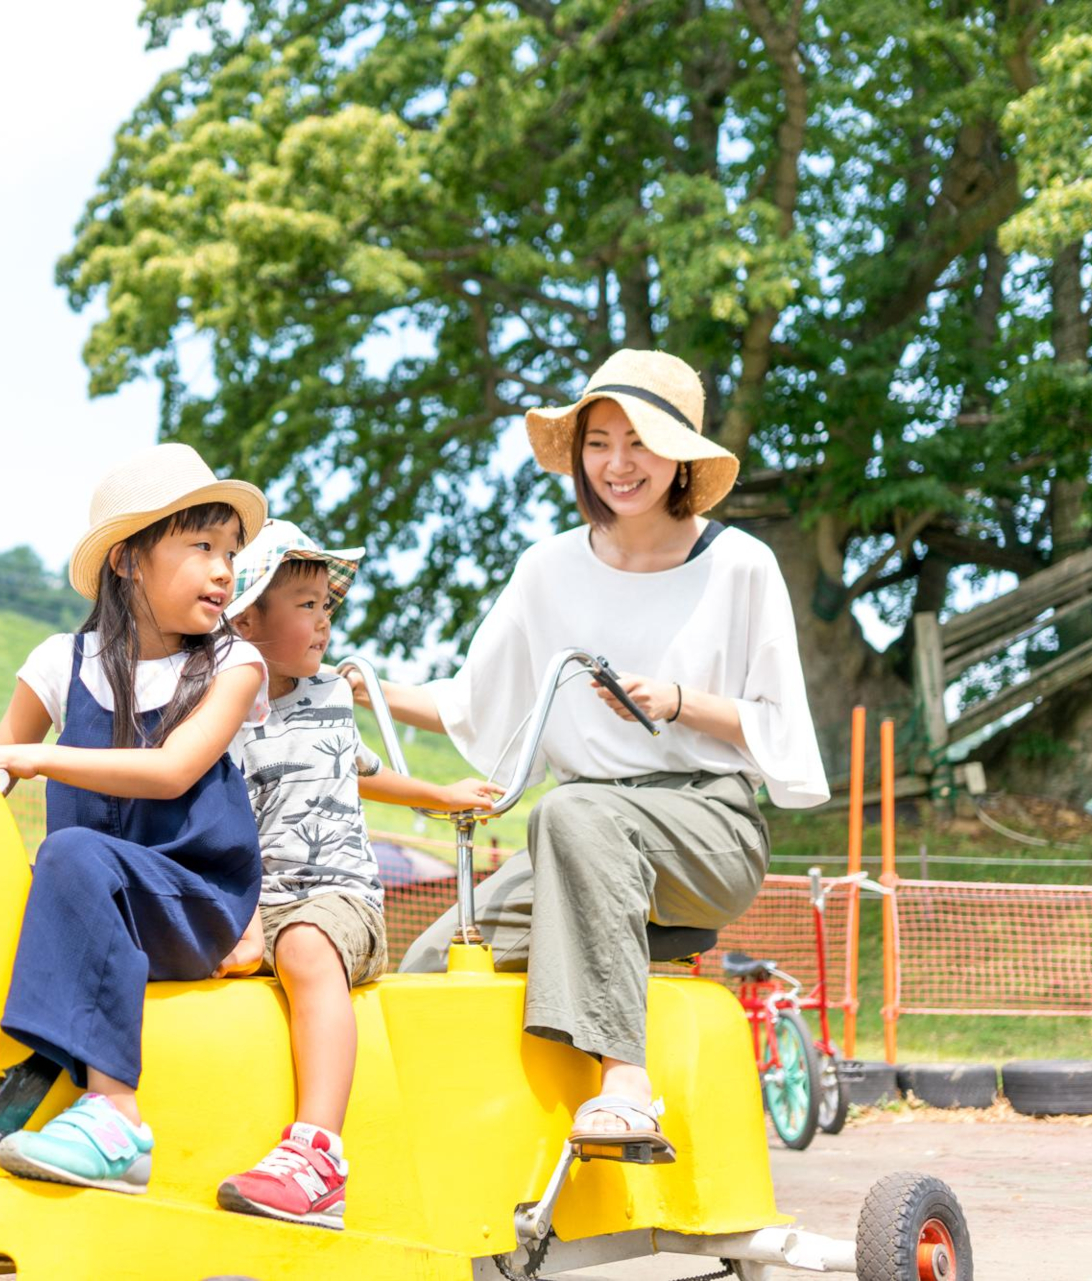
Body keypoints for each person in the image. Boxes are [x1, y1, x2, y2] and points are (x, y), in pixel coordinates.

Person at [355, 349, 828, 1153]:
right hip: (575, 841)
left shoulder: (742, 566)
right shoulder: (546, 570)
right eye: (599, 441)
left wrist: (678, 701)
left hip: (707, 825)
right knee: (438, 957)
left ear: (679, 455)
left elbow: (785, 734)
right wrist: (361, 687)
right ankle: (449, 1148)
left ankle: (627, 1086)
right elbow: (473, 703)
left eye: (638, 441)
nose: (617, 463)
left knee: (574, 810)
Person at [0, 442, 269, 1196]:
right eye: (200, 546)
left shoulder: (234, 666)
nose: (224, 569)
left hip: (192, 899)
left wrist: (43, 759)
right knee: (42, 875)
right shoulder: (57, 661)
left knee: (71, 854)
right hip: (98, 896)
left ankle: (117, 1119)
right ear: (130, 559)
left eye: (229, 550)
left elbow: (170, 771)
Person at [213, 519, 501, 1230]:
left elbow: (364, 773)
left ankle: (317, 1156)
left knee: (307, 947)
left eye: (327, 605)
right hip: (256, 900)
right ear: (249, 620)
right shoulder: (223, 711)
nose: (325, 621)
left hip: (334, 898)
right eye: (306, 605)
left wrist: (441, 796)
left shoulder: (333, 697)